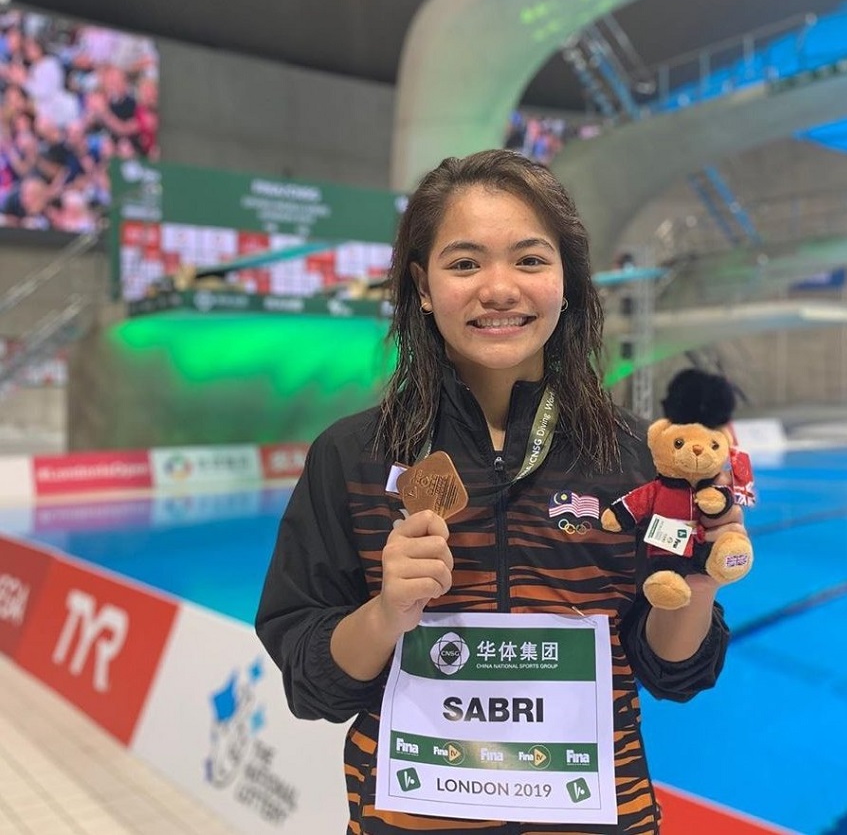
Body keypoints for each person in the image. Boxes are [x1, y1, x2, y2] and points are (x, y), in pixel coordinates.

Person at [255, 149, 748, 834]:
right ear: (422, 286)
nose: (499, 289)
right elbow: (310, 684)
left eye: (530, 259)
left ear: (567, 282)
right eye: (464, 263)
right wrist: (387, 612)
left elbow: (676, 674)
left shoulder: (637, 457)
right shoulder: (354, 456)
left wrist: (694, 583)